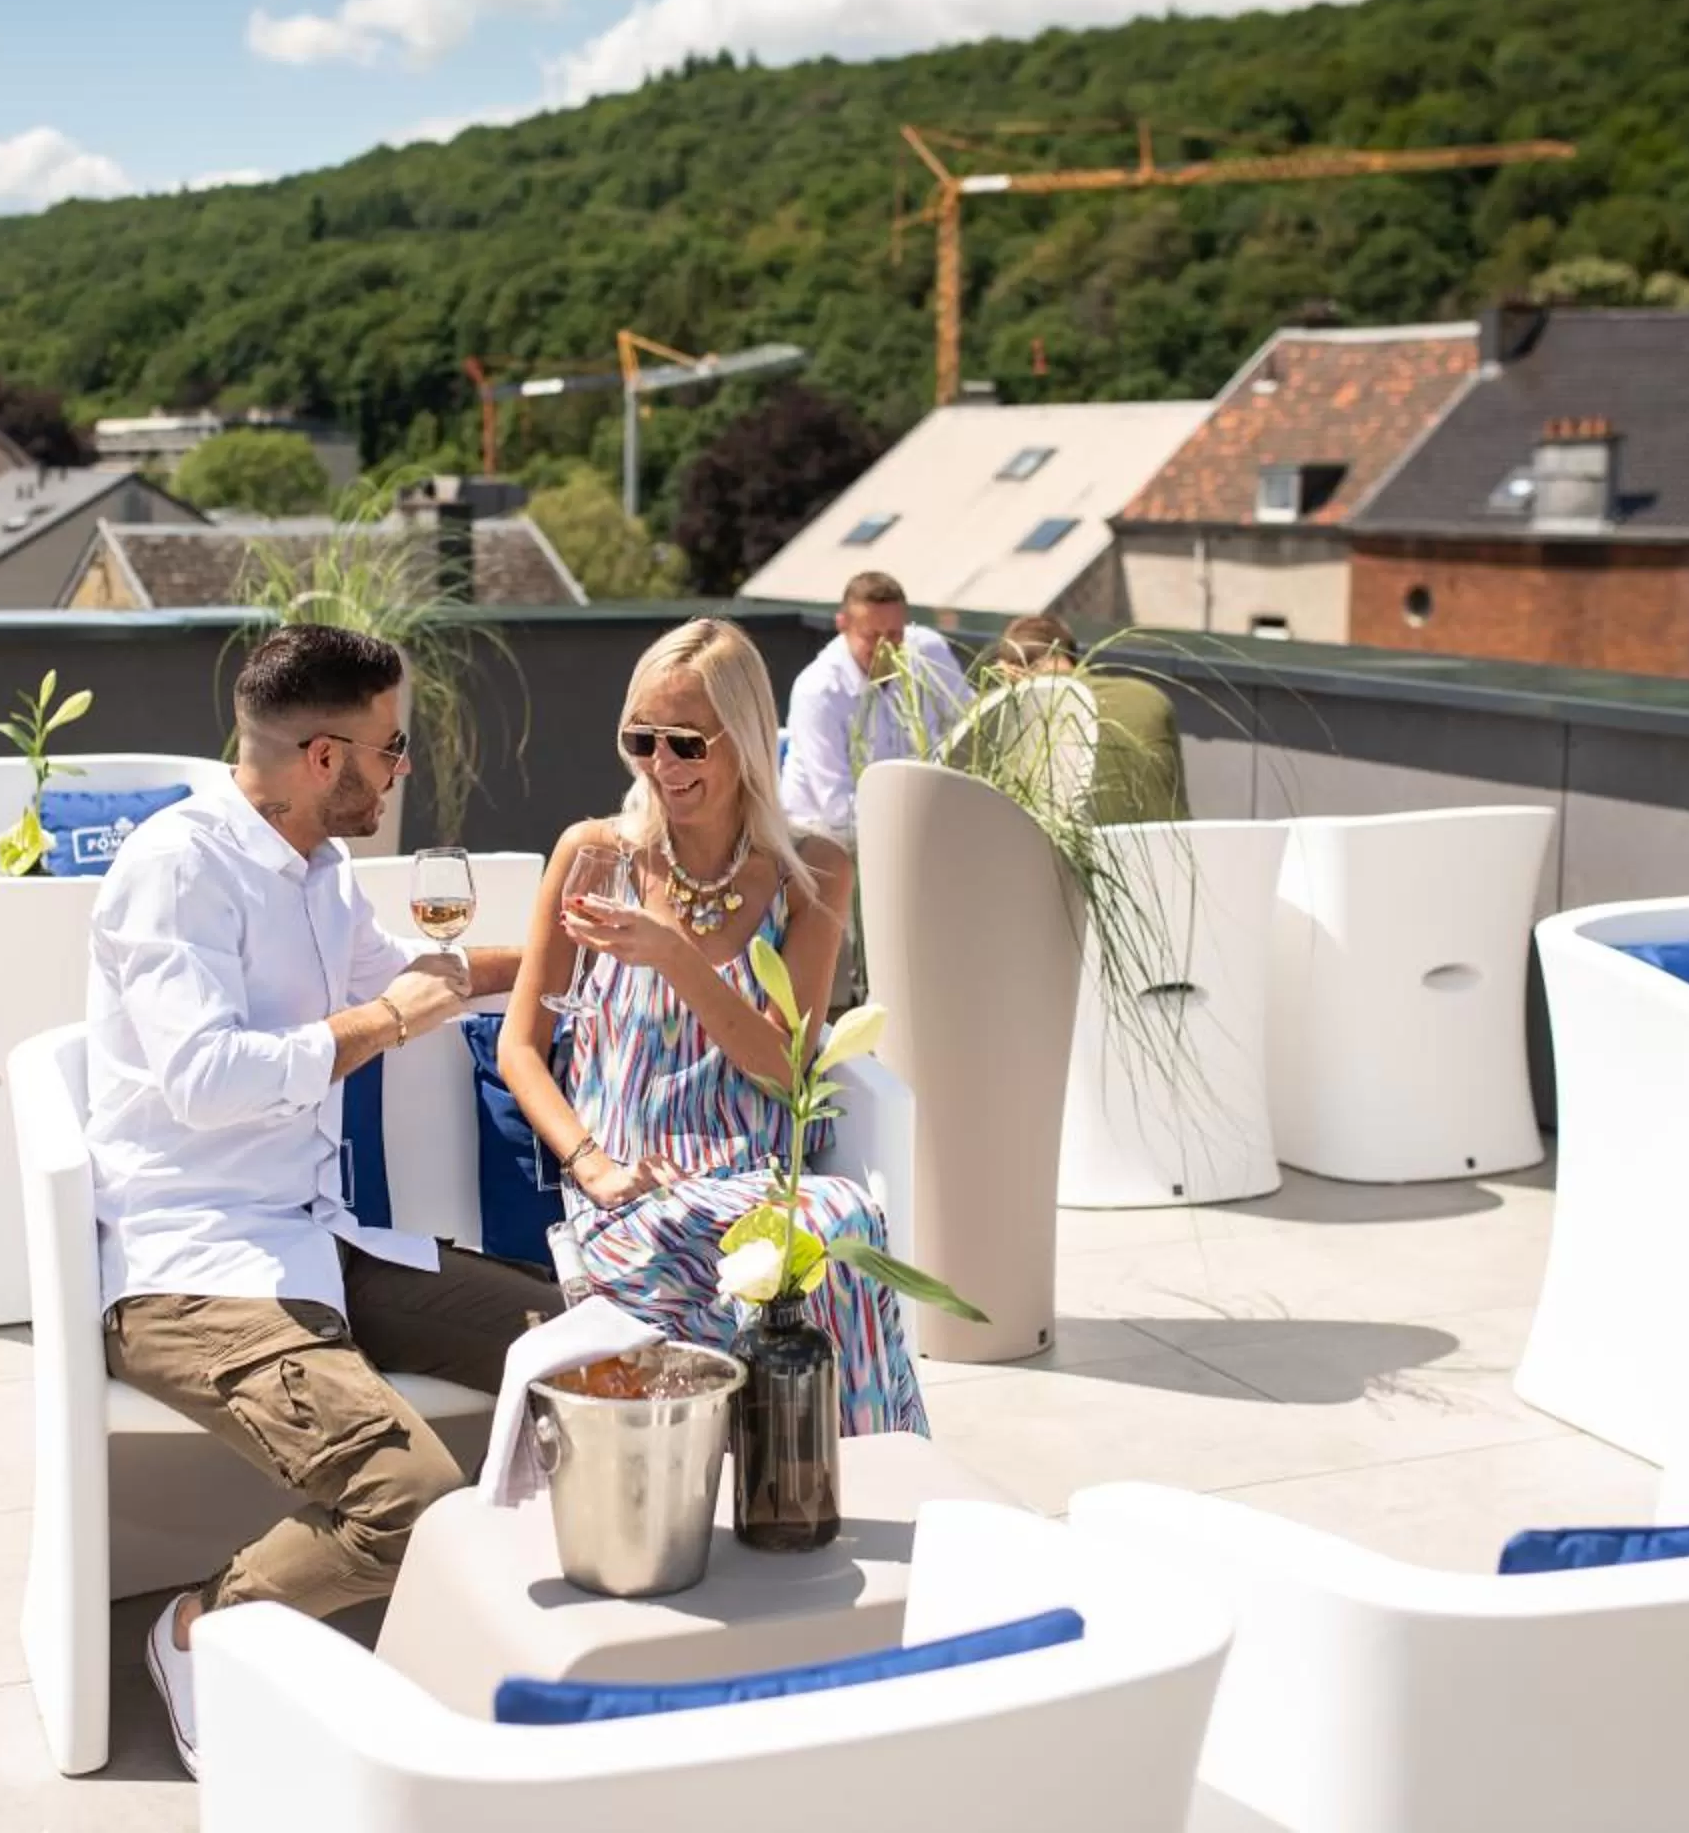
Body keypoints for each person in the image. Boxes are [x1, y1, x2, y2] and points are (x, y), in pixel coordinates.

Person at [84, 623, 557, 1777]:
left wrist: (564, 948)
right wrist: (382, 1024)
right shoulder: (178, 868)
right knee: (405, 1497)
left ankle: (520, 1630)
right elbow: (204, 1079)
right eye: (391, 750)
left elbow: (399, 971)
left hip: (316, 1237)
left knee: (577, 1354)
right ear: (322, 757)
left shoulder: (317, 868)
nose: (404, 771)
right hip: (193, 1269)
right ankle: (200, 1629)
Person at [496, 617, 929, 1437]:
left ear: (747, 739)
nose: (662, 765)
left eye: (687, 744)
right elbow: (524, 1045)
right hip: (628, 1191)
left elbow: (781, 1071)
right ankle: (847, 1473)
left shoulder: (814, 872)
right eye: (642, 739)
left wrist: (675, 958)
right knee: (819, 1244)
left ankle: (853, 1479)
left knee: (833, 1229)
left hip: (756, 1186)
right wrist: (590, 1166)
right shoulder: (593, 854)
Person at [778, 571, 968, 842]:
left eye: (894, 634)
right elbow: (836, 809)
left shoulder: (928, 651)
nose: (885, 648)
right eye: (871, 635)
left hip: (914, 825)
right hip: (822, 842)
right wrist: (918, 825)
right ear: (842, 625)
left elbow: (970, 722)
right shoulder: (818, 691)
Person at [990, 612, 1190, 824]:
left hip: (1056, 855)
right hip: (1165, 853)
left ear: (1008, 669)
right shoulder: (1150, 698)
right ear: (1072, 658)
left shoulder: (999, 711)